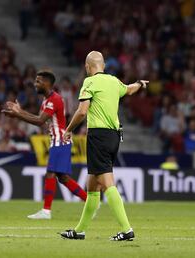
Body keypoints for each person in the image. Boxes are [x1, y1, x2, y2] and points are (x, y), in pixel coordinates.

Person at [60, 51, 149, 241]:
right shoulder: (114, 81)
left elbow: (82, 112)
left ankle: (127, 230)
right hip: (114, 137)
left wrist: (68, 129)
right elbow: (130, 89)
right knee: (92, 185)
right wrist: (140, 83)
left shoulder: (89, 82)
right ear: (104, 66)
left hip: (98, 136)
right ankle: (79, 231)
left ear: (87, 66)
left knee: (107, 183)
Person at [2, 70, 87, 219]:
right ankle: (90, 202)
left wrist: (17, 114)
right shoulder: (47, 100)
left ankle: (46, 211)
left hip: (60, 140)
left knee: (50, 173)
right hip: (58, 140)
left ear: (47, 83)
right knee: (63, 178)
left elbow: (39, 121)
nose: (36, 84)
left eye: (38, 81)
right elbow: (38, 118)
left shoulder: (55, 99)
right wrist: (20, 111)